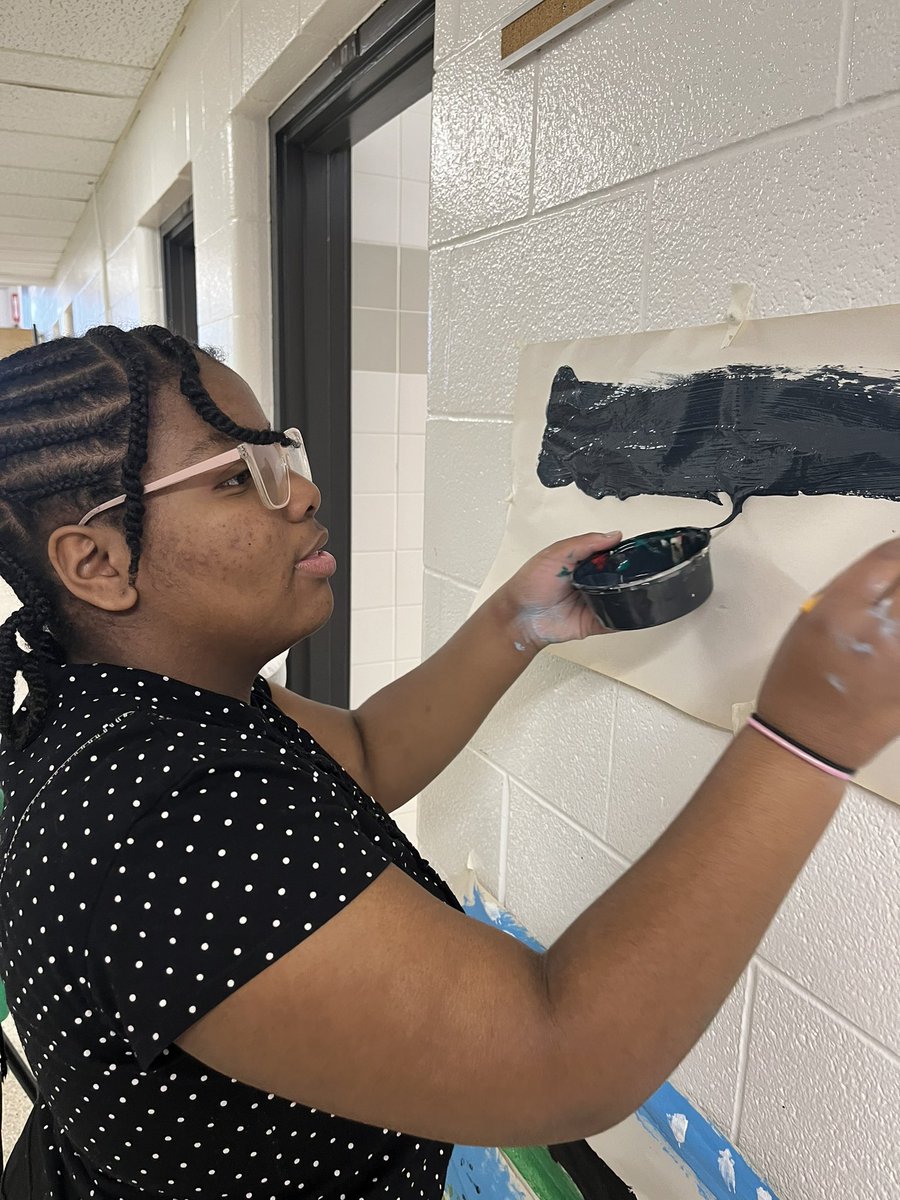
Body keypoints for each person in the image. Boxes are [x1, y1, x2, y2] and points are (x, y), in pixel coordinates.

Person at [0, 325, 897, 1199]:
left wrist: (517, 622)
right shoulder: (162, 818)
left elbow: (363, 754)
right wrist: (806, 733)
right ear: (99, 562)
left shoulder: (147, 705)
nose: (303, 492)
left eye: (281, 455)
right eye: (240, 477)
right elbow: (557, 1056)